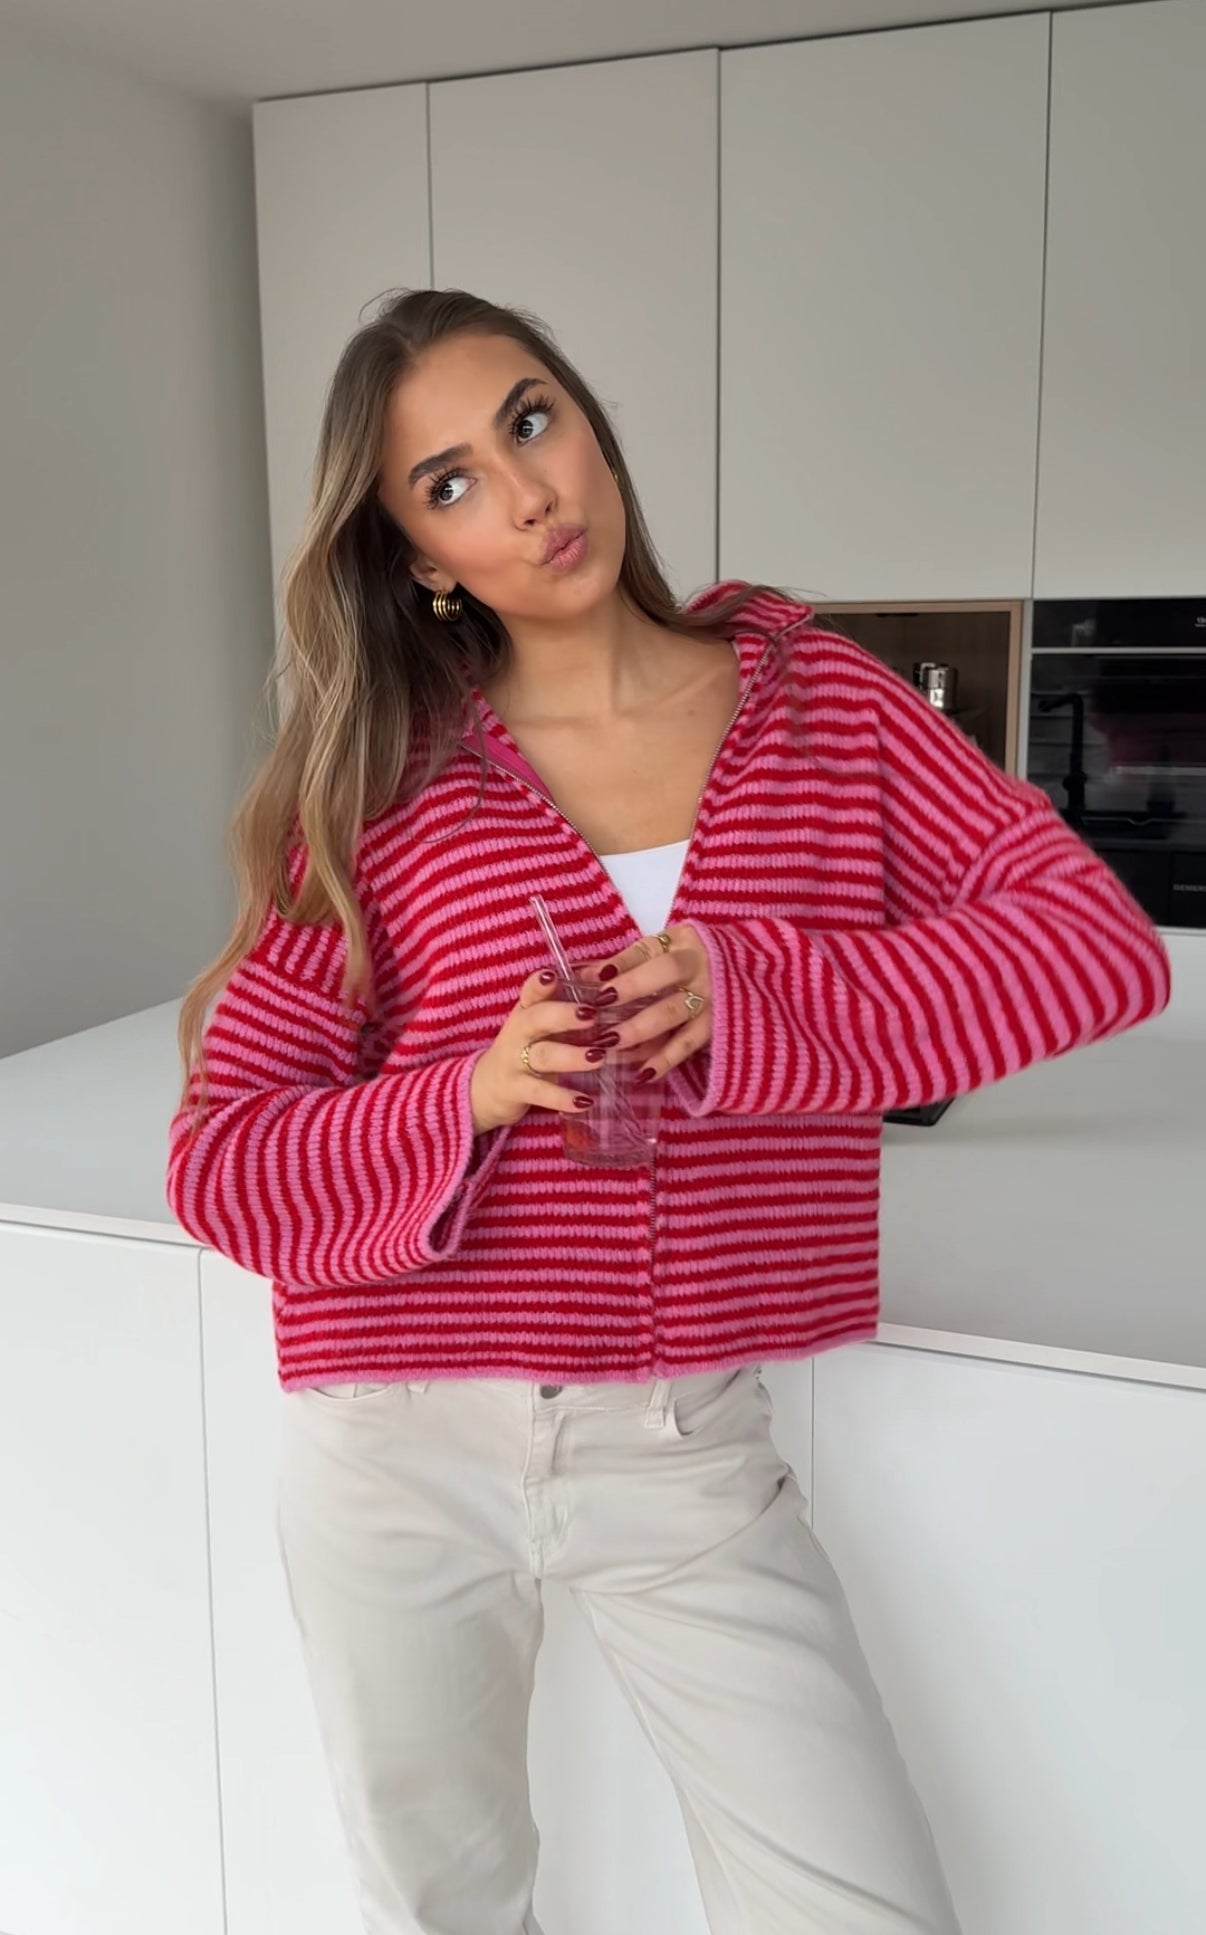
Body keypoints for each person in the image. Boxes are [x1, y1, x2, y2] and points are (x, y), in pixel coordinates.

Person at [166, 287, 1171, 1935]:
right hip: (395, 1439)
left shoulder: (820, 702)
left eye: (531, 421)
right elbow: (224, 1164)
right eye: (448, 482)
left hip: (682, 1440)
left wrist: (757, 993)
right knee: (440, 1906)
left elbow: (1092, 948)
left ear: (589, 422)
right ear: (418, 554)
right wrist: (467, 1092)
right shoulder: (379, 782)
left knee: (859, 1907)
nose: (525, 493)